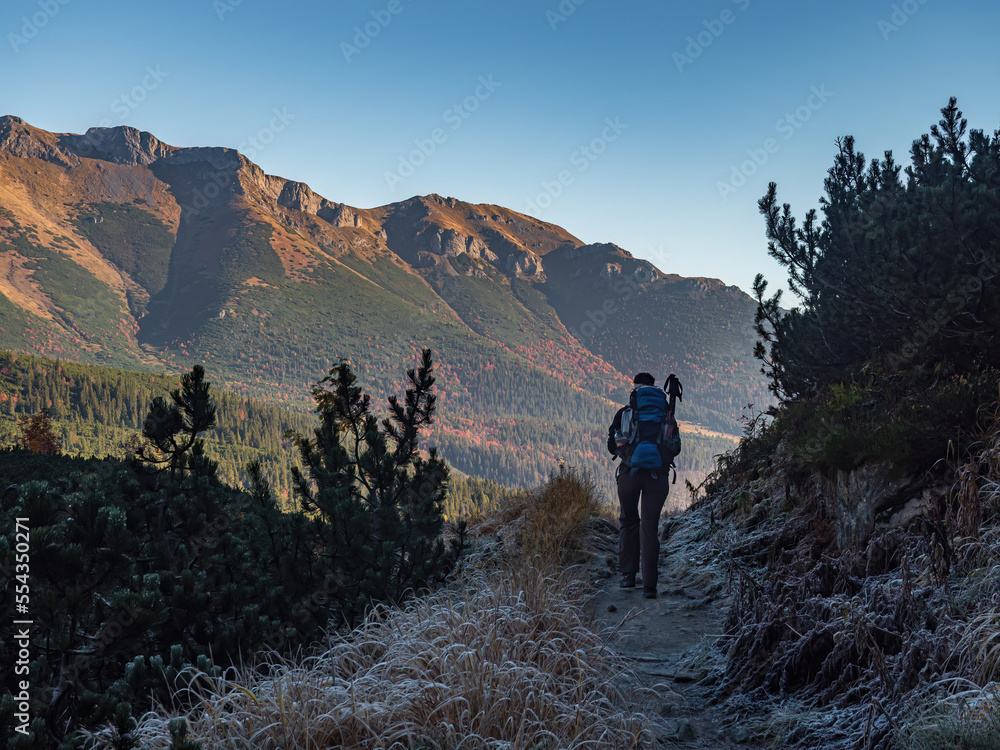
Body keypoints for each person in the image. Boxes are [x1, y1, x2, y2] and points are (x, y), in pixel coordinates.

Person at [607, 372, 669, 599]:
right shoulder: (665, 413)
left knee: (629, 521)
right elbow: (675, 446)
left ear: (634, 390)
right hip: (657, 477)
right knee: (649, 527)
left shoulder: (624, 414)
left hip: (629, 474)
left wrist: (628, 452)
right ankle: (650, 587)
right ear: (654, 388)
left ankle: (627, 577)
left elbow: (611, 446)